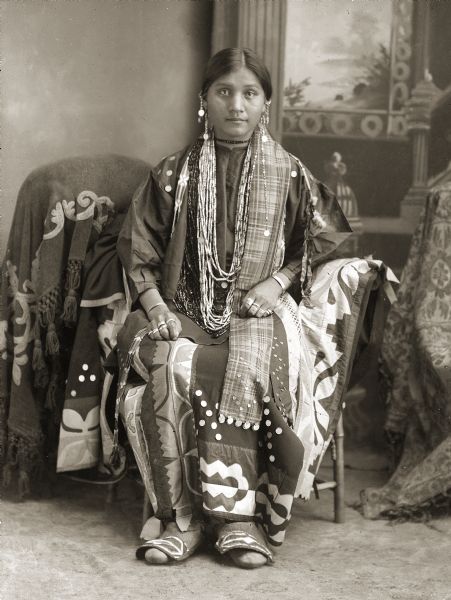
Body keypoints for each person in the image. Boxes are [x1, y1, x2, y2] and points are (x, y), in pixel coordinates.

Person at [114, 47, 352, 569]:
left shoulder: (290, 174)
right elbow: (137, 252)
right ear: (205, 100)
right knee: (165, 357)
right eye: (224, 92)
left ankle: (237, 518)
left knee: (240, 367)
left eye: (250, 93)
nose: (237, 105)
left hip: (258, 311)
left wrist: (278, 281)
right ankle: (179, 516)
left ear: (265, 102)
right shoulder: (172, 174)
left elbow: (322, 239)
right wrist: (154, 305)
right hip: (181, 304)